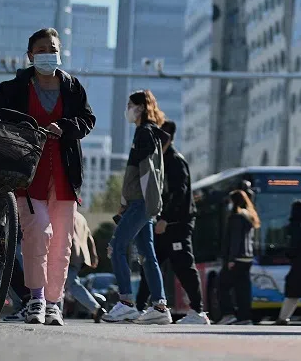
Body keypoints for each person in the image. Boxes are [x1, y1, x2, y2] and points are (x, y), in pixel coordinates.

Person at [0, 28, 95, 326]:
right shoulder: (17, 86)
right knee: (38, 233)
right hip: (28, 173)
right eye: (41, 50)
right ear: (30, 55)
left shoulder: (73, 87)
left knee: (62, 243)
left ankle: (54, 303)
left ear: (60, 51)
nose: (47, 54)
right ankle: (37, 299)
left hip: (65, 176)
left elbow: (87, 120)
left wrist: (66, 126)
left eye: (52, 48)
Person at [103, 90, 170, 325]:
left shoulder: (144, 134)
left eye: (131, 105)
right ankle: (160, 307)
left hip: (141, 203)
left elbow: (147, 175)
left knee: (116, 246)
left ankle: (126, 303)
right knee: (147, 255)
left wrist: (145, 205)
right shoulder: (148, 133)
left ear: (141, 108)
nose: (128, 109)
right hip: (143, 203)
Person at [135, 120, 210, 325]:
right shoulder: (159, 160)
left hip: (177, 225)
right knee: (149, 264)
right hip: (161, 223)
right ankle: (140, 308)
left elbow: (180, 193)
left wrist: (166, 218)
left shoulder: (176, 161)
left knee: (184, 266)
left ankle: (198, 312)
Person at [217, 190, 260, 325]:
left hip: (236, 258)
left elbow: (235, 240)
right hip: (247, 258)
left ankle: (228, 314)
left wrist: (231, 259)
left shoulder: (236, 217)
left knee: (221, 285)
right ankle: (245, 317)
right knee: (243, 289)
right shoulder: (250, 217)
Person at [65, 210, 106, 322]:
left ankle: (96, 309)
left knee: (71, 283)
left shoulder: (65, 213)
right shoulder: (81, 217)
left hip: (69, 254)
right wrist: (94, 256)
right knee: (65, 284)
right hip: (80, 256)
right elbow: (89, 237)